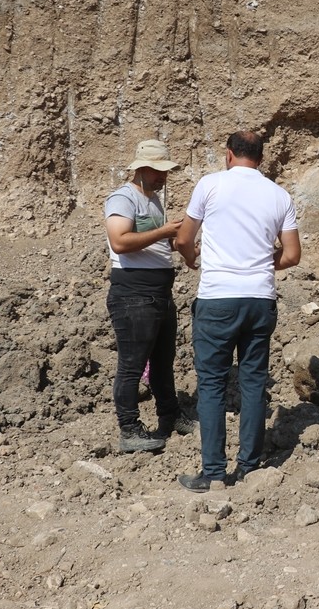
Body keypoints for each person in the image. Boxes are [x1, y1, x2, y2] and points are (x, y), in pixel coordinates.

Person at [174, 131, 301, 491]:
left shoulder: (210, 185)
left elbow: (184, 239)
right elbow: (291, 255)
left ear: (229, 155)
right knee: (253, 382)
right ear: (260, 158)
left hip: (218, 299)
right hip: (260, 299)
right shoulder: (280, 195)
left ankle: (213, 473)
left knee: (212, 384)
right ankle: (249, 467)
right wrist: (259, 262)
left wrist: (191, 260)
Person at [104, 139, 194, 453]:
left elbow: (152, 243)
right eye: (158, 171)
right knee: (131, 366)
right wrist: (165, 232)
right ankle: (129, 429)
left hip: (158, 292)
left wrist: (180, 238)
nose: (163, 177)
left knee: (162, 362)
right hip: (133, 294)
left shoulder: (153, 199)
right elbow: (120, 241)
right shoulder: (123, 198)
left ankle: (169, 416)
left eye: (165, 171)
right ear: (140, 168)